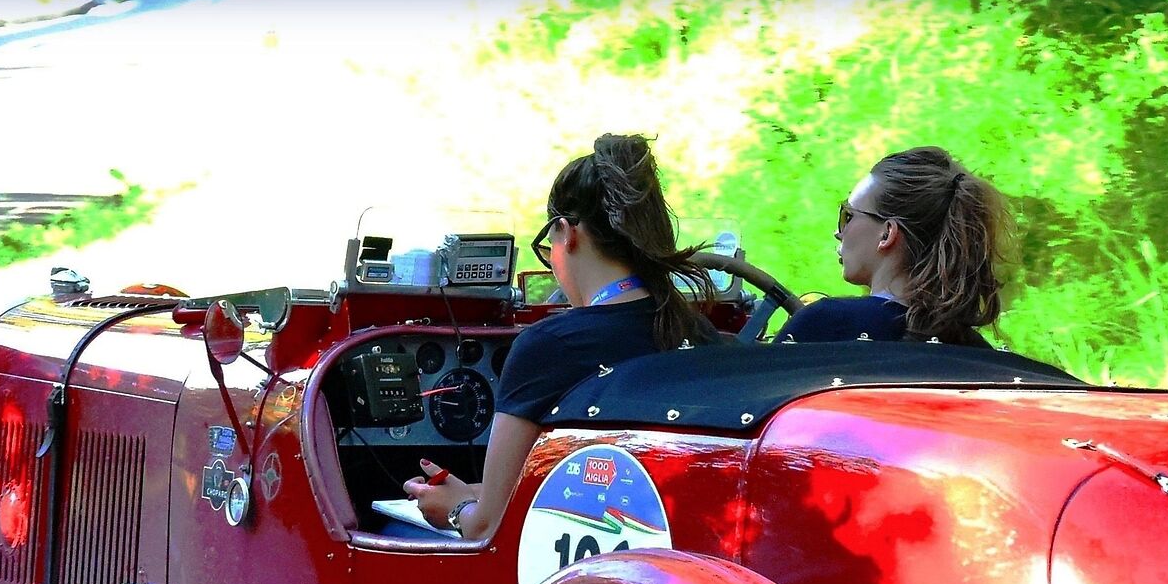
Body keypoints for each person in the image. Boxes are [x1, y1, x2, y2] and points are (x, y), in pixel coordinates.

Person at [406, 133, 712, 540]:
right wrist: (477, 492)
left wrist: (455, 508)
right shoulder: (701, 334)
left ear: (566, 233)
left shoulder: (549, 347)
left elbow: (486, 526)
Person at [780, 146, 1017, 348]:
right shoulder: (977, 350)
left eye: (848, 216)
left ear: (887, 234)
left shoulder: (825, 325)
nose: (838, 232)